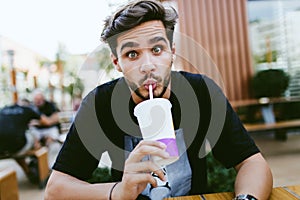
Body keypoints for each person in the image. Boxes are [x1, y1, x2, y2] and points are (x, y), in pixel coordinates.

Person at [45, 1, 273, 200]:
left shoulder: (201, 92)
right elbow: (56, 189)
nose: (147, 66)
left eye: (157, 49)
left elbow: (252, 163)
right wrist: (119, 192)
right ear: (117, 63)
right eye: (132, 54)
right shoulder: (100, 105)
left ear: (172, 53)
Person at [0, 99, 51, 182]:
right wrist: (35, 122)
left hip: (1, 149)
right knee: (31, 132)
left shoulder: (3, 109)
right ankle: (43, 169)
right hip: (18, 144)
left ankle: (28, 172)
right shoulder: (27, 109)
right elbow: (46, 122)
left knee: (15, 146)